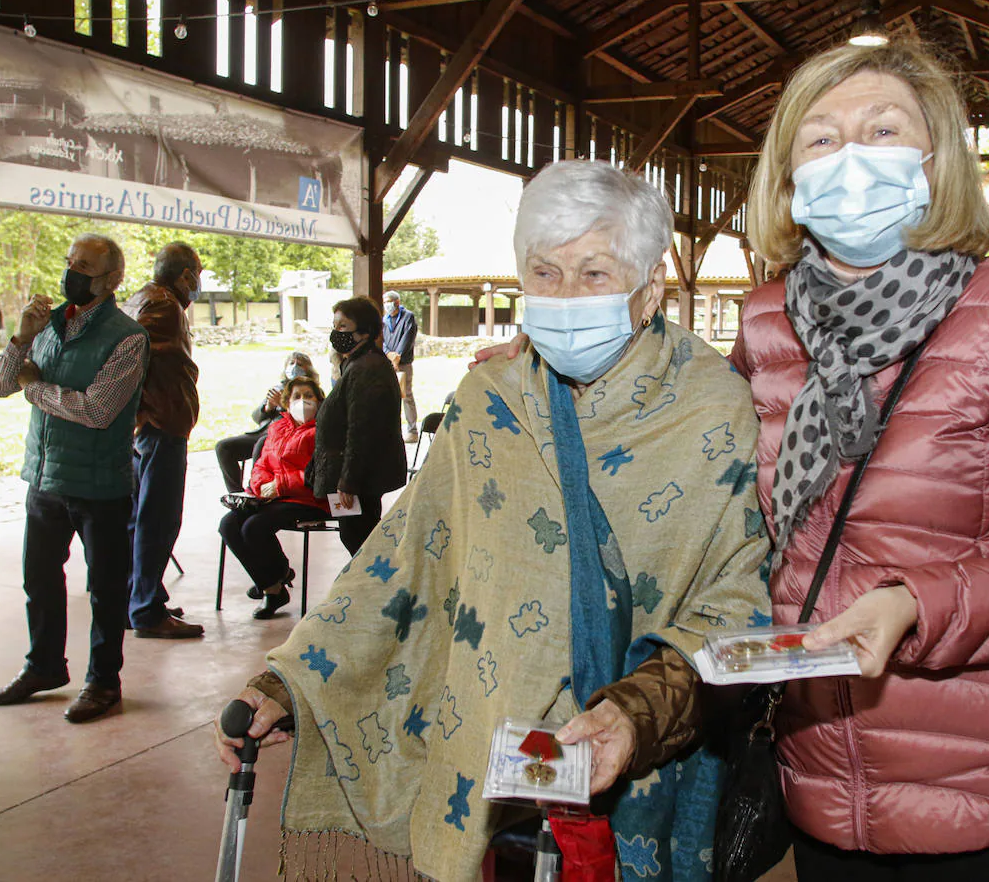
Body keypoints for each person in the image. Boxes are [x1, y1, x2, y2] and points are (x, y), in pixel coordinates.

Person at [214, 160, 772, 882]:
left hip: (642, 762)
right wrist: (287, 680)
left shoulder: (713, 409)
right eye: (545, 272)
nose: (565, 296)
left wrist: (636, 712)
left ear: (649, 289)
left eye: (595, 273)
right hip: (491, 760)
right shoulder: (488, 401)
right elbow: (403, 556)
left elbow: (738, 595)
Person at [730, 40, 989, 879]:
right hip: (822, 776)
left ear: (935, 158)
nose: (850, 160)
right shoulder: (768, 324)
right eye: (820, 139)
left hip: (986, 786)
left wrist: (916, 608)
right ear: (787, 175)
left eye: (883, 130)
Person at [0, 234, 149, 723]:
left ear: (111, 279)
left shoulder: (127, 337)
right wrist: (21, 338)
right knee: (39, 579)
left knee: (105, 587)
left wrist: (34, 387)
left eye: (85, 266)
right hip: (45, 478)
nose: (72, 272)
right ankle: (44, 666)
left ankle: (103, 682)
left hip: (101, 485)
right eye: (69, 262)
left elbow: (98, 410)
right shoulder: (48, 325)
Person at [122, 242, 204, 639]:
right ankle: (147, 611)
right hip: (161, 424)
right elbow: (132, 363)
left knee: (141, 519)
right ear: (184, 274)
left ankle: (138, 598)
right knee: (158, 520)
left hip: (151, 425)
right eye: (197, 273)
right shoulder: (162, 305)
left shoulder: (145, 299)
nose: (198, 282)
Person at [218, 376, 328, 619]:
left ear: (319, 401)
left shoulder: (325, 430)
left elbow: (323, 472)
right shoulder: (277, 427)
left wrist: (281, 484)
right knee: (229, 525)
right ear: (286, 403)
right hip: (274, 497)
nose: (302, 401)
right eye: (296, 397)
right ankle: (272, 585)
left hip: (309, 499)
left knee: (254, 528)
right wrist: (261, 486)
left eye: (308, 396)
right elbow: (261, 464)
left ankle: (274, 581)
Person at [307, 296, 406, 555]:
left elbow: (361, 430)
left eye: (343, 327)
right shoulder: (356, 362)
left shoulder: (367, 368)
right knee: (355, 537)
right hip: (354, 474)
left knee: (359, 540)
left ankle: (375, 592)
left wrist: (348, 482)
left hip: (360, 478)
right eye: (334, 326)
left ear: (364, 332)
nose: (336, 333)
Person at [213, 352, 319, 493]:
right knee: (223, 447)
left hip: (286, 436)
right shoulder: (278, 388)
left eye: (299, 364)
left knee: (262, 444)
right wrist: (268, 406)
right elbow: (256, 417)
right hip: (266, 430)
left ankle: (257, 490)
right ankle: (237, 493)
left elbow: (305, 417)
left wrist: (282, 405)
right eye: (291, 363)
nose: (294, 367)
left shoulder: (313, 390)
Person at [382, 290, 419, 442]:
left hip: (403, 363)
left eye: (389, 301)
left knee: (406, 395)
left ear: (397, 302)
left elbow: (407, 339)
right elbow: (382, 340)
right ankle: (392, 430)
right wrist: (388, 354)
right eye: (385, 301)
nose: (387, 304)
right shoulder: (384, 320)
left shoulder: (407, 317)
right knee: (389, 396)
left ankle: (412, 430)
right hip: (388, 362)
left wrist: (397, 356)